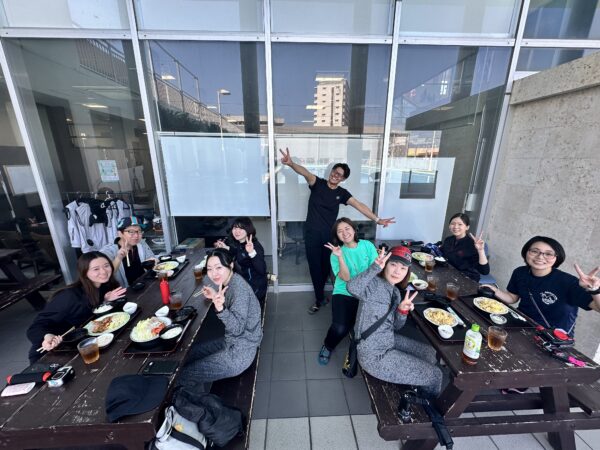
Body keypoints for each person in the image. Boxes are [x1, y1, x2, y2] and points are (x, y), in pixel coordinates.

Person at [279, 147, 395, 314]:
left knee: (327, 267)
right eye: (334, 172)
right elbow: (304, 172)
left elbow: (359, 205)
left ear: (343, 179)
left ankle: (340, 296)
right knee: (314, 268)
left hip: (329, 236)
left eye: (339, 175)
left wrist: (377, 219)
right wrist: (291, 164)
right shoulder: (317, 183)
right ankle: (319, 299)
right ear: (331, 171)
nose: (335, 175)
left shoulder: (342, 193)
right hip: (311, 234)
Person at [347, 246, 443, 397]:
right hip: (373, 356)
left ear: (407, 272)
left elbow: (396, 326)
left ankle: (417, 381)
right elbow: (351, 287)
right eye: (393, 264)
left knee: (430, 353)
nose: (397, 271)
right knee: (436, 375)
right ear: (385, 265)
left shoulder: (396, 293)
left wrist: (402, 311)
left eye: (403, 268)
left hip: (388, 341)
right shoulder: (373, 284)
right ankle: (427, 405)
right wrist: (374, 267)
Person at [178, 249, 263, 388]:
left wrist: (221, 309)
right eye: (209, 269)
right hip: (232, 341)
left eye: (219, 267)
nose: (214, 273)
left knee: (183, 374)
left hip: (240, 352)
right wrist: (215, 297)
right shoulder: (229, 281)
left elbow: (237, 329)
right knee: (188, 355)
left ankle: (192, 399)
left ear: (231, 265)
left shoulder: (239, 290)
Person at [484, 236, 600, 337]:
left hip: (552, 337)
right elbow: (512, 298)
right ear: (526, 253)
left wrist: (594, 290)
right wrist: (495, 291)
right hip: (520, 325)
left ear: (556, 258)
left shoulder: (569, 282)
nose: (540, 257)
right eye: (535, 251)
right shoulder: (520, 272)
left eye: (548, 254)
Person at [26, 251, 126, 363]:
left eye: (106, 266)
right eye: (96, 269)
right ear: (84, 272)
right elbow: (36, 327)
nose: (103, 271)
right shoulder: (69, 296)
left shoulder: (104, 286)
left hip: (81, 345)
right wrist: (47, 336)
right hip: (51, 353)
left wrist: (105, 301)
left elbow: (94, 312)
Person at [317, 218, 378, 365]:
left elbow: (375, 271)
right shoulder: (335, 253)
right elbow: (345, 278)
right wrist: (340, 257)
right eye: (340, 231)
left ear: (354, 229)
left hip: (366, 291)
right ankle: (328, 345)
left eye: (347, 228)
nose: (344, 233)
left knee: (368, 325)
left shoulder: (367, 246)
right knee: (340, 327)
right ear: (337, 236)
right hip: (344, 291)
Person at [214, 217, 268, 302]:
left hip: (255, 287)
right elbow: (239, 252)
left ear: (248, 230)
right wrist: (226, 247)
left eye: (241, 228)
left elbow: (262, 270)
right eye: (235, 228)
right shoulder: (241, 243)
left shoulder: (254, 246)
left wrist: (252, 252)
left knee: (225, 296)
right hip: (246, 281)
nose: (237, 231)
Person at [101, 216, 156, 288]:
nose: (136, 235)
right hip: (124, 291)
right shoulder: (108, 251)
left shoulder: (141, 243)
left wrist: (154, 262)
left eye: (139, 231)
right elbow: (105, 275)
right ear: (120, 233)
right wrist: (118, 258)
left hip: (145, 285)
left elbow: (152, 259)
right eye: (131, 232)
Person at [440, 213, 490, 282]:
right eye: (453, 224)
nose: (455, 227)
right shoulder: (448, 240)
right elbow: (441, 254)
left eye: (460, 224)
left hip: (467, 279)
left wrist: (480, 250)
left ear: (467, 227)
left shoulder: (473, 244)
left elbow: (485, 271)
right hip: (449, 274)